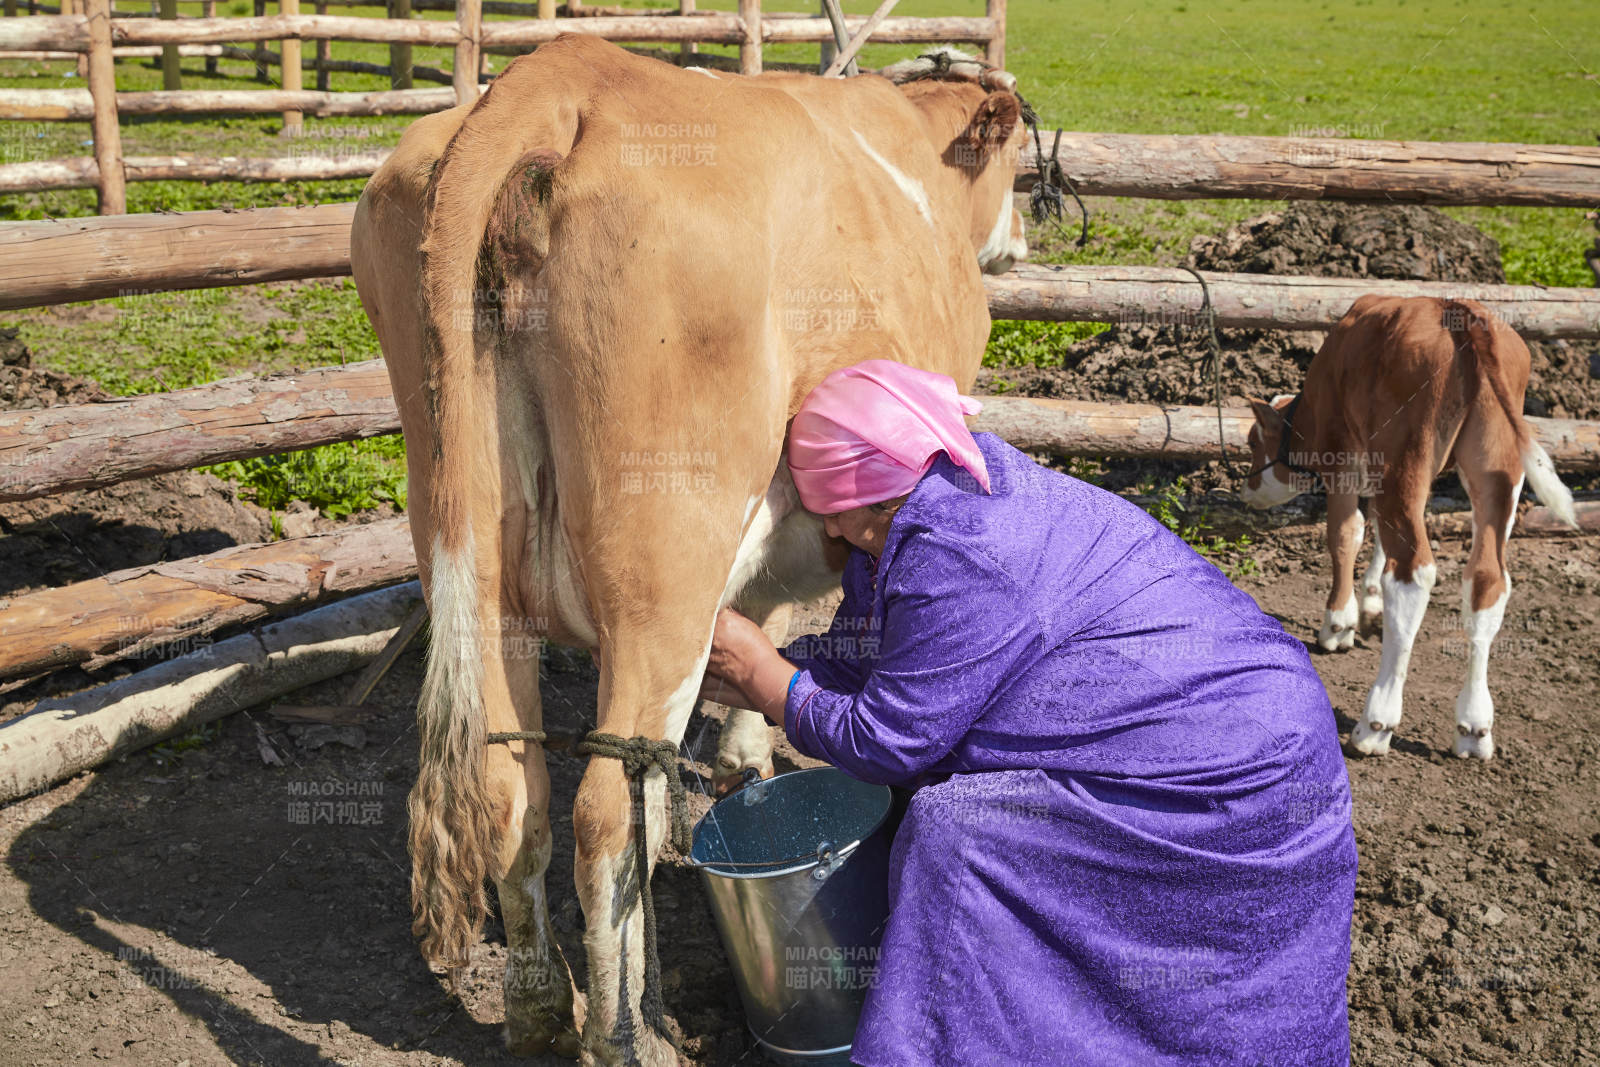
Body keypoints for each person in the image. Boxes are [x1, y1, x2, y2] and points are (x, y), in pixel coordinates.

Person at [701, 358, 1357, 1066]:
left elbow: (889, 739)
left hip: (1231, 772)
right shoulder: (925, 499)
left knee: (960, 834)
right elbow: (886, 660)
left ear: (850, 504)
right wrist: (750, 673)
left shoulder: (960, 550)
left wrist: (768, 678)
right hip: (1232, 719)